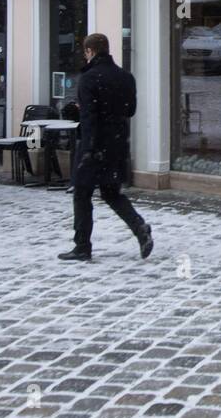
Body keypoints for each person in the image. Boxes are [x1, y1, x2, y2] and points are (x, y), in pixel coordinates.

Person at [58, 33, 154, 262]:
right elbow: (130, 111)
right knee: (111, 192)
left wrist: (88, 148)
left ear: (90, 51)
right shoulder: (125, 77)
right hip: (118, 143)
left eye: (85, 52)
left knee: (82, 194)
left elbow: (90, 118)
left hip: (95, 145)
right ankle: (139, 227)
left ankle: (82, 246)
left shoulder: (89, 78)